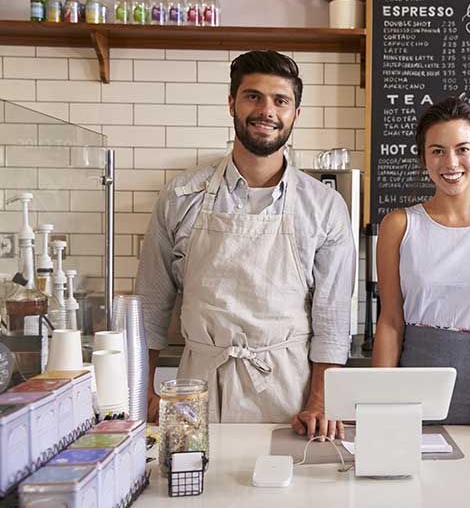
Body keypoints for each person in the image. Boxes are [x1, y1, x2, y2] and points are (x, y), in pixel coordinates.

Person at [136, 50, 355, 438]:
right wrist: (142, 391)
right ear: (232, 103)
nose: (266, 110)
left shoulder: (324, 207)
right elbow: (151, 305)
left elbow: (332, 318)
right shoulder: (180, 196)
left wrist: (321, 401)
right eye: (253, 96)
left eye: (280, 100)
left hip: (289, 394)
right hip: (194, 391)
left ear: (295, 114)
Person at [371, 97, 470, 436]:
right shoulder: (399, 225)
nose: (451, 162)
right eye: (437, 151)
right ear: (424, 158)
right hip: (409, 392)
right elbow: (389, 322)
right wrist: (378, 403)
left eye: (462, 149)